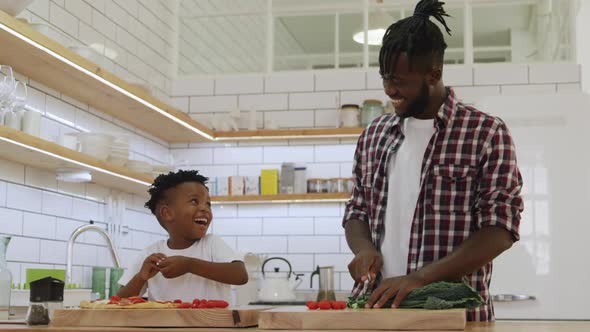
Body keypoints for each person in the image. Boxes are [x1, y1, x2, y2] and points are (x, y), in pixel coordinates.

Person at [343, 0, 523, 322]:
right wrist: (363, 249)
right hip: (377, 313)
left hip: (452, 316)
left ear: (434, 74)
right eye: (385, 77)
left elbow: (500, 228)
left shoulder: (485, 133)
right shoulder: (374, 135)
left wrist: (421, 278)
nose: (389, 90)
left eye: (399, 81)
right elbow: (357, 211)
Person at [117, 169, 248, 302]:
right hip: (163, 323)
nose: (204, 208)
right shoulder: (151, 254)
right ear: (167, 213)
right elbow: (118, 300)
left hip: (211, 322)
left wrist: (189, 265)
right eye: (194, 201)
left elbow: (240, 275)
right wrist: (140, 278)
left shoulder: (211, 243)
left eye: (208, 204)